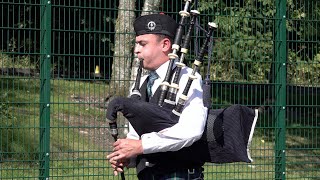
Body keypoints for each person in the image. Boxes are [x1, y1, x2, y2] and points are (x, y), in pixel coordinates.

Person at [107, 13, 208, 180]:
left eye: (142, 44)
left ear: (165, 45)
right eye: (136, 44)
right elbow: (136, 133)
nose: (136, 49)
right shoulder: (140, 84)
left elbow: (192, 130)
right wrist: (128, 156)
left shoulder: (188, 77)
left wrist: (142, 146)